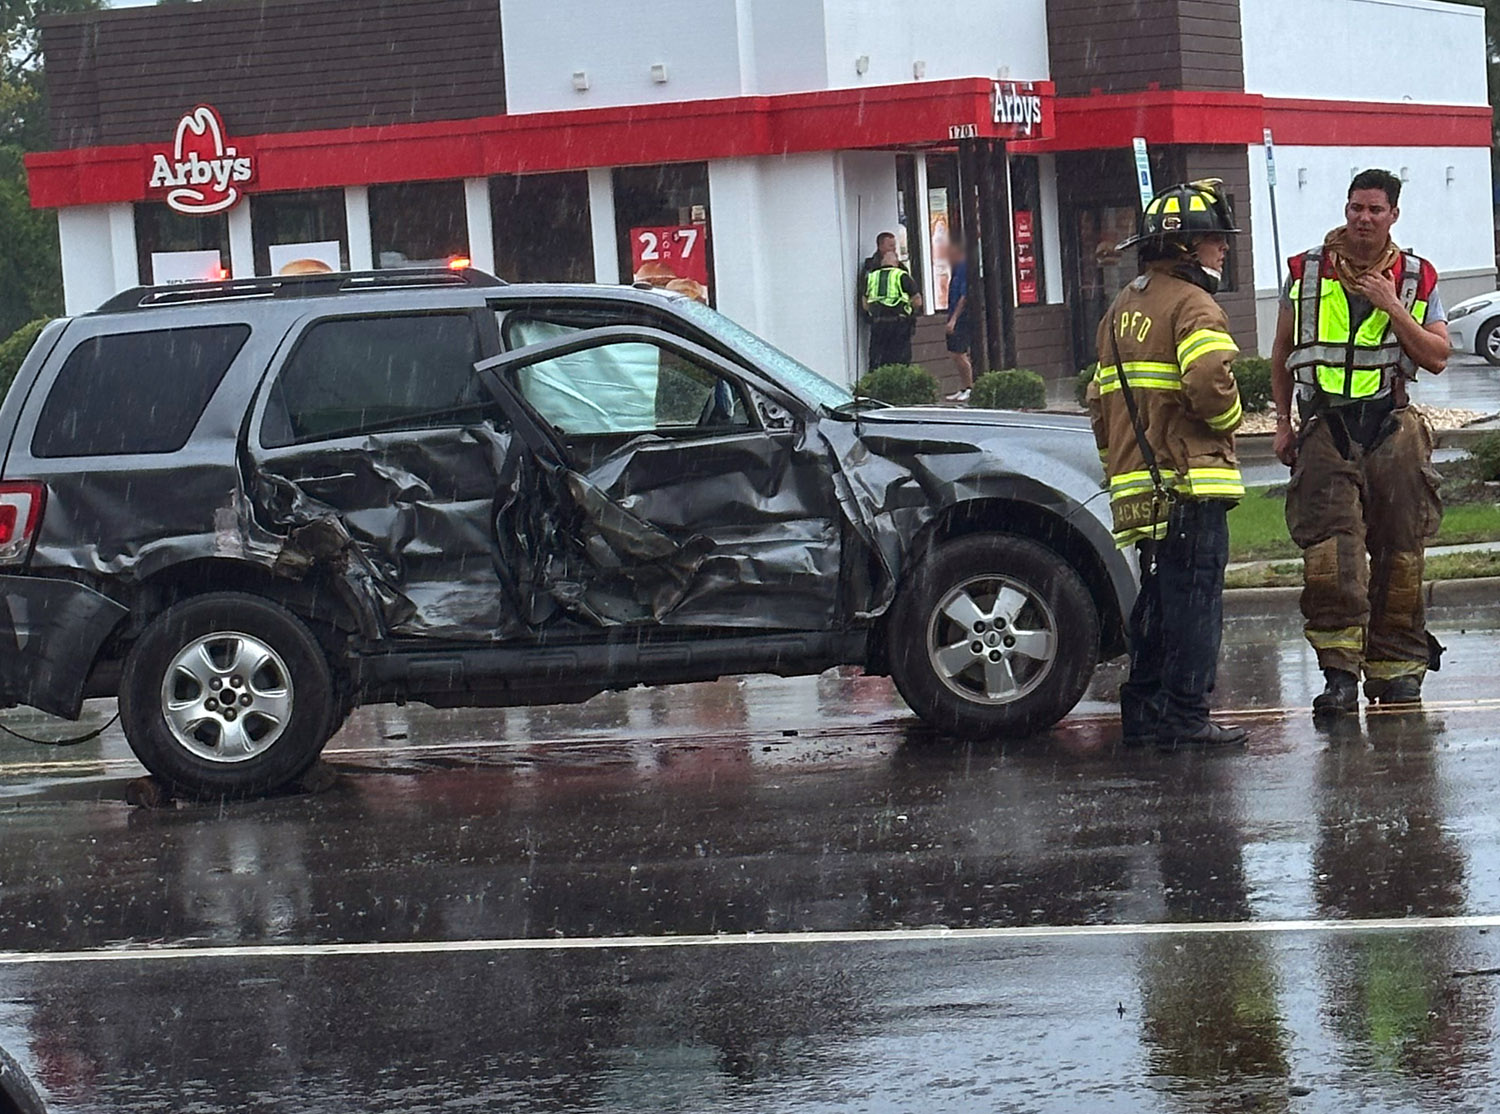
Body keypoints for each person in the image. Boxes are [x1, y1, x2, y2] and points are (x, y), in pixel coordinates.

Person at [1270, 169, 1449, 715]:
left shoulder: (1417, 277)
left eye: (1374, 209)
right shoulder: (1306, 271)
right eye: (1355, 208)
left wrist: (1392, 305)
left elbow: (1436, 357)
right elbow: (1281, 353)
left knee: (1401, 552)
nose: (1363, 219)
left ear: (1394, 215)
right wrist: (1283, 424)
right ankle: (1339, 676)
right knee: (1331, 556)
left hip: (1392, 427)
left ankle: (1397, 671)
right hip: (1325, 428)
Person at [1086, 179, 1249, 750]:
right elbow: (1208, 384)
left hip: (1140, 489)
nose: (1223, 248)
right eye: (1214, 239)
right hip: (1187, 483)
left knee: (1155, 602)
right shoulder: (1193, 304)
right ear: (1184, 247)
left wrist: (1118, 464)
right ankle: (1185, 716)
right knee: (1195, 604)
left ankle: (1145, 711)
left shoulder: (1121, 308)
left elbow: (1098, 403)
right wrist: (1231, 419)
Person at [862, 247, 921, 370]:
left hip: (878, 325)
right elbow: (917, 301)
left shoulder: (872, 277)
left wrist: (873, 312)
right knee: (900, 361)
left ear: (882, 262)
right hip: (899, 325)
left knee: (878, 361)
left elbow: (864, 302)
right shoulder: (902, 276)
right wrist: (908, 310)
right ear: (896, 263)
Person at [945, 239, 973, 401]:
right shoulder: (956, 269)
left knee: (960, 353)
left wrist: (954, 319)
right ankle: (963, 387)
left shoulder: (963, 268)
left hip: (961, 317)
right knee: (954, 353)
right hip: (952, 314)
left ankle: (970, 387)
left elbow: (964, 296)